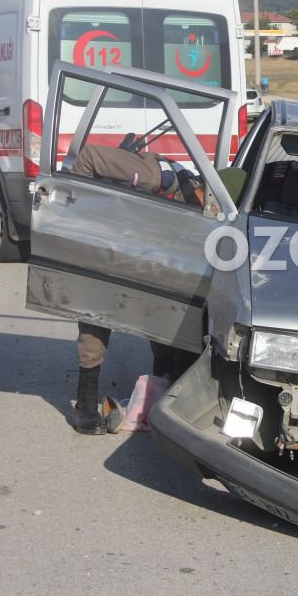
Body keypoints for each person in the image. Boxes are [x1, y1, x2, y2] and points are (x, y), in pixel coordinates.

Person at [67, 144, 202, 434]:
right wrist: (80, 218)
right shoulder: (156, 176)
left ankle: (159, 395)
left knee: (168, 310)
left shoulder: (193, 206)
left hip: (142, 252)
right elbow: (90, 156)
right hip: (108, 243)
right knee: (97, 314)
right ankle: (86, 408)